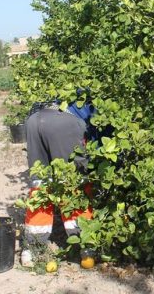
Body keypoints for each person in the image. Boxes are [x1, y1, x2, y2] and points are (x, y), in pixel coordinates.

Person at [20, 96, 101, 267]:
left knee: (40, 182)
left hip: (36, 119)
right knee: (73, 182)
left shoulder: (61, 81)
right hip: (66, 121)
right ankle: (86, 246)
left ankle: (32, 250)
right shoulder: (99, 93)